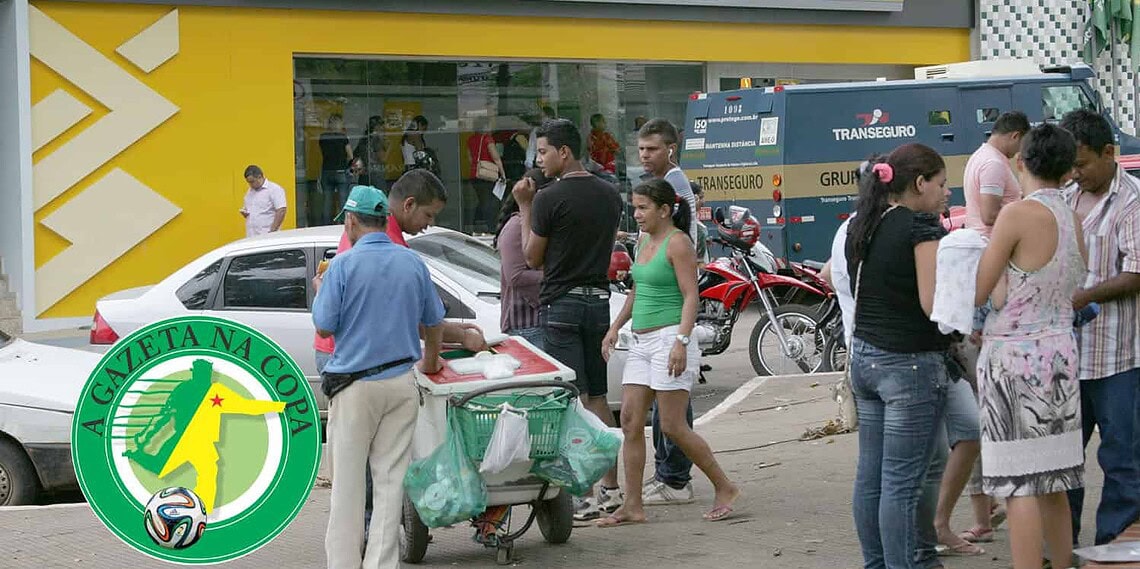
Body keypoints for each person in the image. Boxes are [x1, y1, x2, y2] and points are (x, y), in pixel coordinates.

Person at [312, 172, 483, 536]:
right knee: (376, 467)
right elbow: (412, 316)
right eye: (428, 215)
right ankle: (370, 534)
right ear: (407, 205)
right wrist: (451, 342)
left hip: (347, 362)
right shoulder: (392, 248)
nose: (428, 225)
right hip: (361, 367)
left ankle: (363, 536)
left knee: (360, 464)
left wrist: (452, 335)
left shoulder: (365, 238)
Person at [311, 184, 446, 569]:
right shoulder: (412, 263)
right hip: (401, 383)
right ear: (385, 219)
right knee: (390, 485)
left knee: (348, 487)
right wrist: (430, 362)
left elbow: (324, 327)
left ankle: (343, 564)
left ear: (351, 221)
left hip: (354, 388)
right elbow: (434, 321)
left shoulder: (342, 266)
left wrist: (320, 290)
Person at [973, 123, 1087, 569]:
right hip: (1060, 354)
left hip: (1014, 360)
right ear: (1068, 169)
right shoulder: (1072, 218)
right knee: (1055, 482)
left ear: (1020, 161)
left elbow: (981, 289)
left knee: (1017, 484)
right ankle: (1062, 561)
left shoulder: (1017, 215)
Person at [598, 178, 740, 527]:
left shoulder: (678, 243)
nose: (636, 214)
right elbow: (637, 290)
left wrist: (682, 341)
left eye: (643, 208)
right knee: (630, 420)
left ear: (664, 210)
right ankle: (633, 506)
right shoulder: (643, 241)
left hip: (669, 339)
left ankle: (725, 487)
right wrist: (615, 327)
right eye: (635, 207)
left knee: (673, 426)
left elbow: (691, 295)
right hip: (641, 342)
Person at [846, 143, 952, 569]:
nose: (947, 193)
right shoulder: (921, 228)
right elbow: (932, 304)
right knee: (902, 484)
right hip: (909, 364)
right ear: (920, 183)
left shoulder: (865, 223)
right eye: (941, 184)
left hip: (864, 359)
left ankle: (877, 564)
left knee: (870, 477)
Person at [513, 118, 624, 522]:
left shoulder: (547, 198)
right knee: (598, 397)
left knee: (570, 401)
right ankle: (611, 489)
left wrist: (524, 206)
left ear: (564, 152)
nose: (538, 160)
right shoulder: (610, 194)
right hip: (598, 301)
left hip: (561, 304)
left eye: (543, 152)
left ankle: (584, 495)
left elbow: (531, 257)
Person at [1061, 109, 1140, 547]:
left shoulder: (1132, 201)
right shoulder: (1066, 196)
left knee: (1122, 457)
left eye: (1083, 163)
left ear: (1109, 152)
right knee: (1063, 458)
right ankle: (1062, 542)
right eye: (1070, 165)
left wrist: (1085, 296)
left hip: (1118, 356)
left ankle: (1116, 544)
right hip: (1067, 355)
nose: (1076, 173)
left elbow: (1136, 273)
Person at [637, 117, 700, 507]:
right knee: (667, 398)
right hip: (661, 303)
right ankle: (668, 474)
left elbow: (679, 243)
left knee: (673, 400)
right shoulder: (665, 183)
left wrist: (681, 336)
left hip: (672, 304)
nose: (645, 156)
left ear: (670, 149)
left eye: (652, 149)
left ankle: (674, 478)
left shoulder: (673, 184)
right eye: (641, 149)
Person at [494, 168, 551, 349]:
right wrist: (555, 274)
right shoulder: (516, 226)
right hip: (525, 324)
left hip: (543, 320)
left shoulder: (540, 225)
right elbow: (515, 276)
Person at [964, 111, 1030, 237]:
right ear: (1015, 136)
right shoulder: (993, 164)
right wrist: (1028, 217)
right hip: (990, 240)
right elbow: (989, 216)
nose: (1019, 151)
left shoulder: (980, 155)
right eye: (1022, 144)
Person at [467, 116, 506, 234]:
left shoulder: (470, 139)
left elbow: (470, 158)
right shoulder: (487, 139)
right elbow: (496, 158)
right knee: (490, 202)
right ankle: (491, 227)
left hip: (475, 174)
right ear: (484, 126)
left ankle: (475, 224)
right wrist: (502, 174)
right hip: (488, 175)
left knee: (482, 200)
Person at [319, 114, 354, 224]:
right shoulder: (343, 137)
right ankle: (343, 224)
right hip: (341, 171)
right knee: (343, 200)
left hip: (326, 171)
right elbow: (351, 156)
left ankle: (325, 225)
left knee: (327, 201)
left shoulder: (322, 137)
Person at [240, 165, 287, 237]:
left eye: (252, 181)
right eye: (248, 182)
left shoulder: (274, 189)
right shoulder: (249, 192)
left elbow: (281, 210)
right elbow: (251, 210)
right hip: (251, 235)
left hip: (266, 235)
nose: (250, 185)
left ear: (259, 177)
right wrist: (245, 213)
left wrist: (272, 232)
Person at [352, 115, 388, 190]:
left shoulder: (364, 139)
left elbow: (355, 154)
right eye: (382, 125)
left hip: (364, 174)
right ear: (377, 126)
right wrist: (390, 147)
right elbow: (383, 159)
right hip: (376, 173)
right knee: (379, 195)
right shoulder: (376, 139)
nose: (383, 128)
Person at [691, 182, 710, 270]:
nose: (703, 201)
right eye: (701, 197)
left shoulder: (694, 222)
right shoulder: (695, 227)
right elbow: (700, 264)